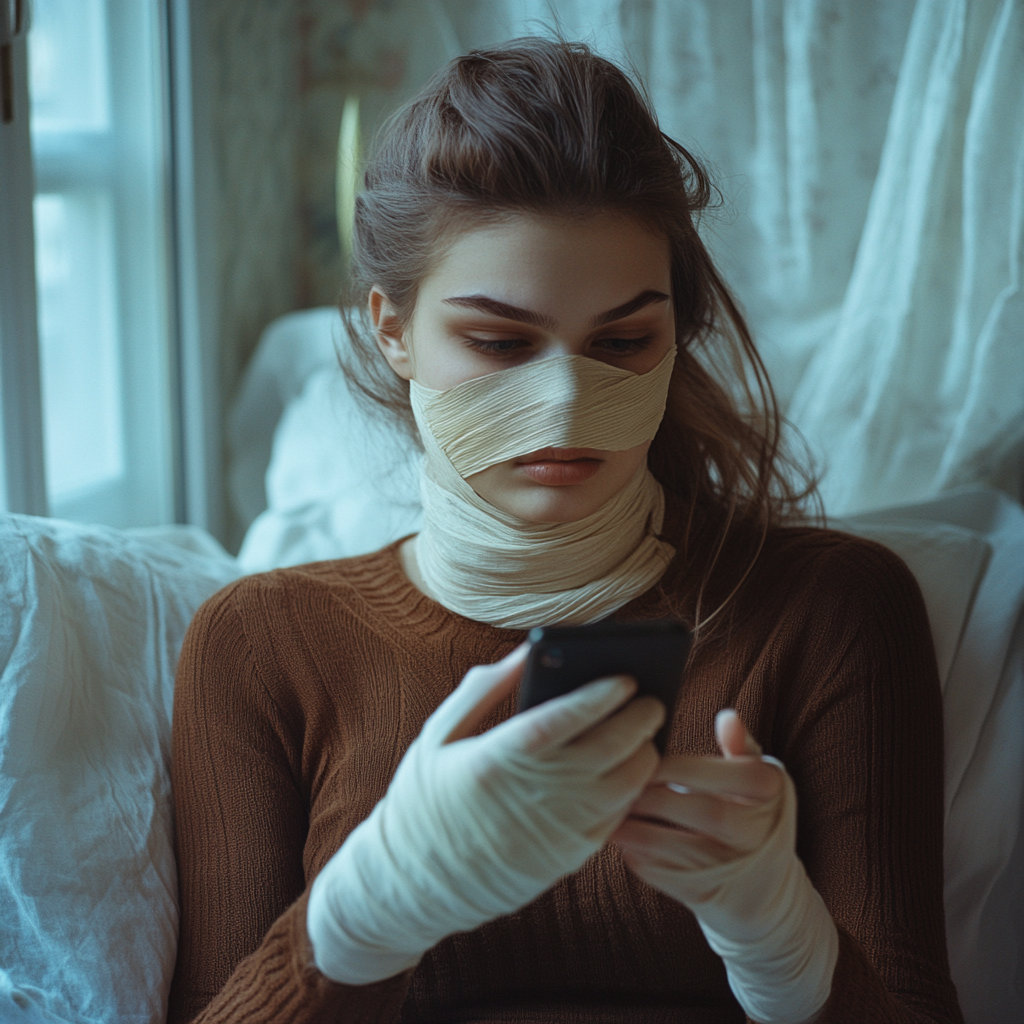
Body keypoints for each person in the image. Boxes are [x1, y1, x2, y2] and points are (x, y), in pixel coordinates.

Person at [167, 38, 963, 1024]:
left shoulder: (830, 609)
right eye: (499, 344)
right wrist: (367, 912)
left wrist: (780, 939)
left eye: (623, 342)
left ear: (678, 335)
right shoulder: (258, 645)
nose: (562, 406)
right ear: (392, 328)